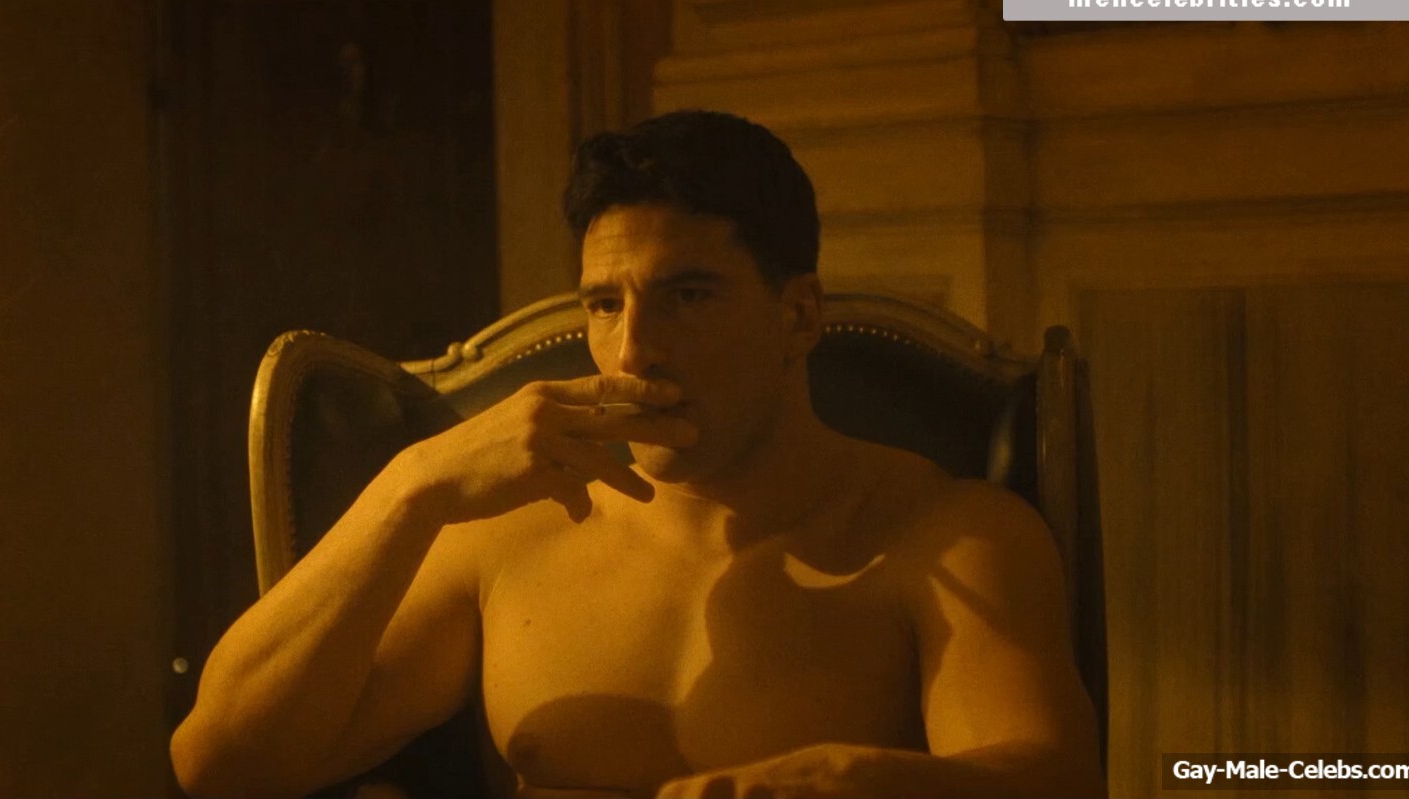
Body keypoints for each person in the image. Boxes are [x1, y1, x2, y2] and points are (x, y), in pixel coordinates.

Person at [171, 110, 1104, 799]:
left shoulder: (946, 538)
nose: (633, 352)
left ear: (798, 315)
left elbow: (1052, 781)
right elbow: (221, 762)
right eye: (604, 304)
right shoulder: (507, 533)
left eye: (687, 297)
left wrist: (854, 779)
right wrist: (412, 486)